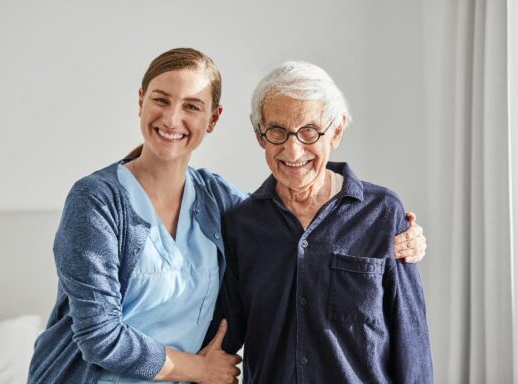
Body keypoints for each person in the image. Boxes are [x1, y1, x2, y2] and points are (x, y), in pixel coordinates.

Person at [28, 48, 427, 384]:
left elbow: (284, 215)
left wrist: (407, 237)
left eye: (191, 106)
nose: (171, 119)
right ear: (141, 101)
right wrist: (199, 369)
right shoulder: (98, 201)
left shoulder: (221, 200)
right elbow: (100, 335)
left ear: (213, 118)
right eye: (161, 100)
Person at [212, 61, 433, 383]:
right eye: (277, 131)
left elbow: (411, 340)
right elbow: (222, 337)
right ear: (259, 134)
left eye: (309, 131)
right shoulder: (241, 224)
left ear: (337, 130)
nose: (293, 149)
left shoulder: (383, 212)